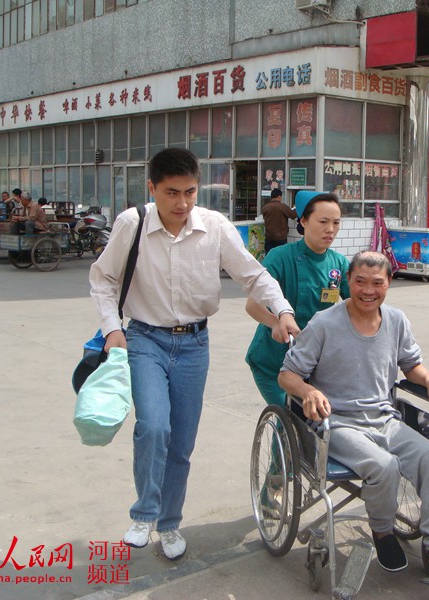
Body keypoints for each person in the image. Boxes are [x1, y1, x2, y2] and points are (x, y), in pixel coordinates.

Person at [89, 148, 298, 561]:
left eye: (189, 192)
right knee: (154, 427)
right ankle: (144, 513)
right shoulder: (132, 224)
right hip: (145, 339)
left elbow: (253, 275)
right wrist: (113, 329)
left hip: (194, 345)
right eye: (171, 193)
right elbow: (103, 278)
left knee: (182, 441)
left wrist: (283, 311)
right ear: (152, 188)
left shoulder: (214, 226)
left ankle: (169, 523)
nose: (182, 203)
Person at [278, 251, 429, 584]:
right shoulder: (324, 323)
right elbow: (287, 374)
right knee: (383, 466)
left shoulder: (396, 321)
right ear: (349, 281)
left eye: (377, 283)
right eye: (360, 281)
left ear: (389, 282)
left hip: (385, 418)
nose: (368, 290)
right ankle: (383, 531)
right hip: (338, 422)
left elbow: (411, 365)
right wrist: (308, 391)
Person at [245, 191, 350, 406]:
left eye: (336, 222)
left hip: (314, 361)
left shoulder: (339, 263)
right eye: (323, 221)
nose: (330, 229)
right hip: (273, 360)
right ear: (303, 221)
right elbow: (252, 305)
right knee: (290, 414)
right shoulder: (280, 257)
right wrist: (276, 323)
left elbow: (354, 304)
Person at [261, 187, 296, 254]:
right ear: (279, 197)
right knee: (281, 256)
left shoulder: (265, 207)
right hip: (280, 238)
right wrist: (296, 209)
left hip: (269, 237)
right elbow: (292, 215)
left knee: (269, 256)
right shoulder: (282, 206)